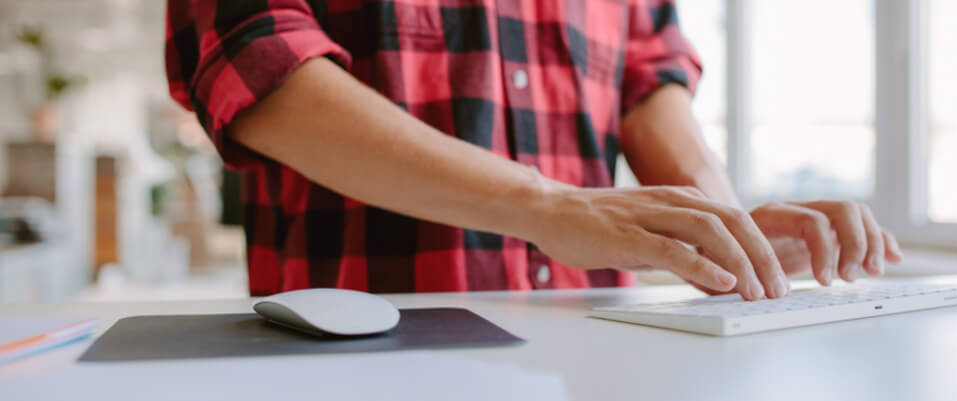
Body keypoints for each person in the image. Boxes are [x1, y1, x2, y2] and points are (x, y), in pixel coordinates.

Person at [165, 0, 903, 300]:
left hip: (596, 358)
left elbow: (649, 77)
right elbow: (253, 65)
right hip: (366, 360)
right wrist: (547, 206)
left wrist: (727, 227)